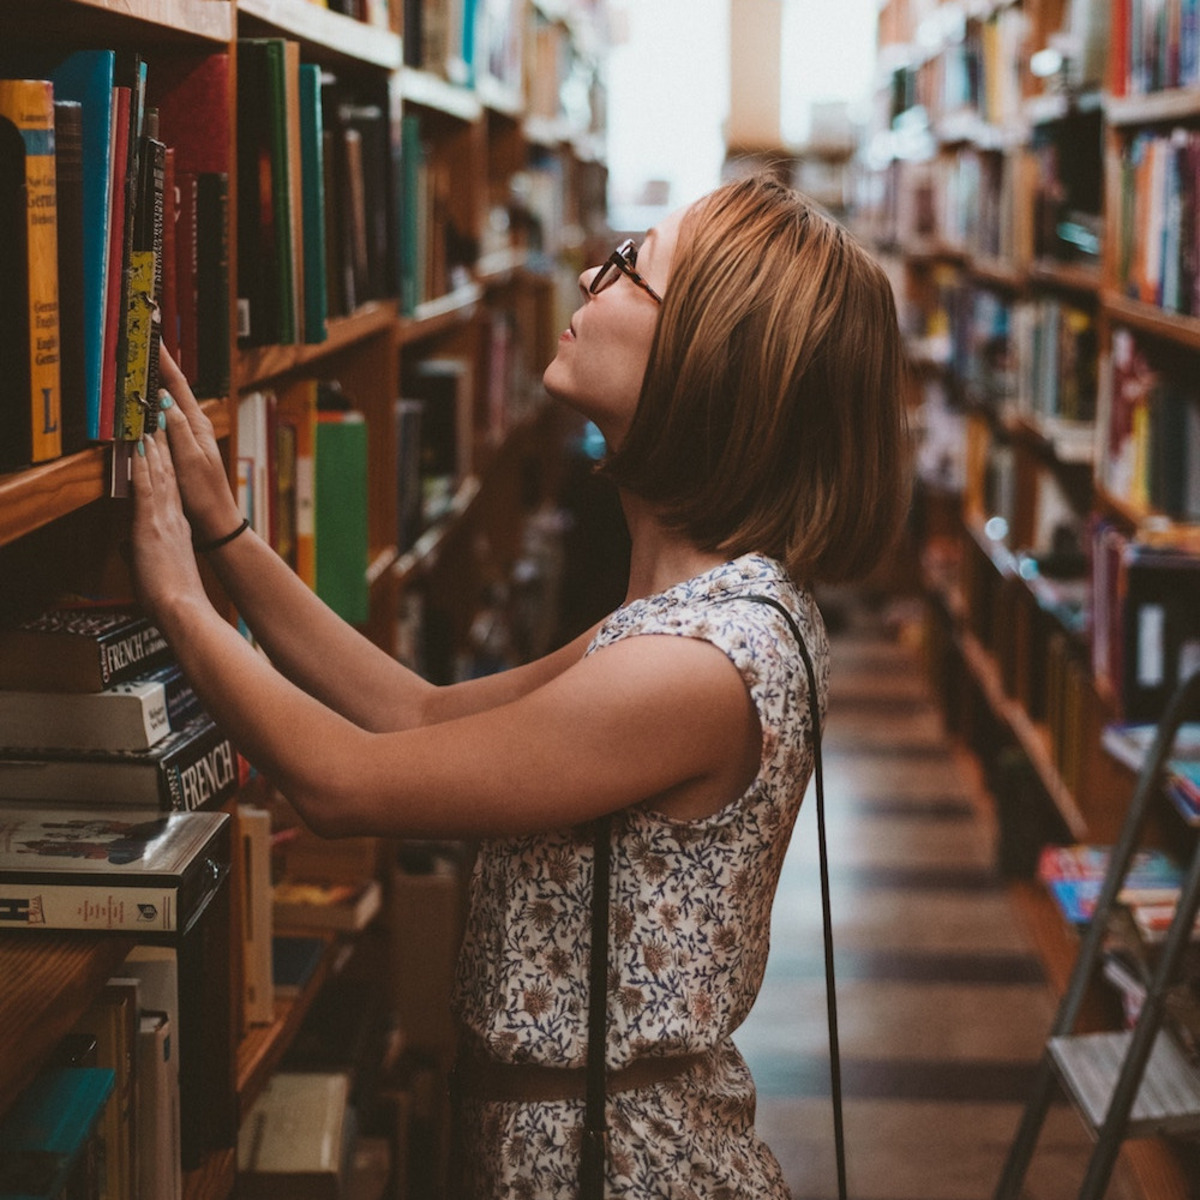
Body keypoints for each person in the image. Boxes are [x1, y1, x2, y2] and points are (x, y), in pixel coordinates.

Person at [129, 171, 909, 1199]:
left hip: (615, 1165)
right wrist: (226, 536)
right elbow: (414, 713)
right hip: (571, 1138)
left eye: (630, 267)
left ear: (703, 362)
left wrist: (177, 599)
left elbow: (343, 784)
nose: (591, 270)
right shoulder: (697, 615)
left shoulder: (696, 667)